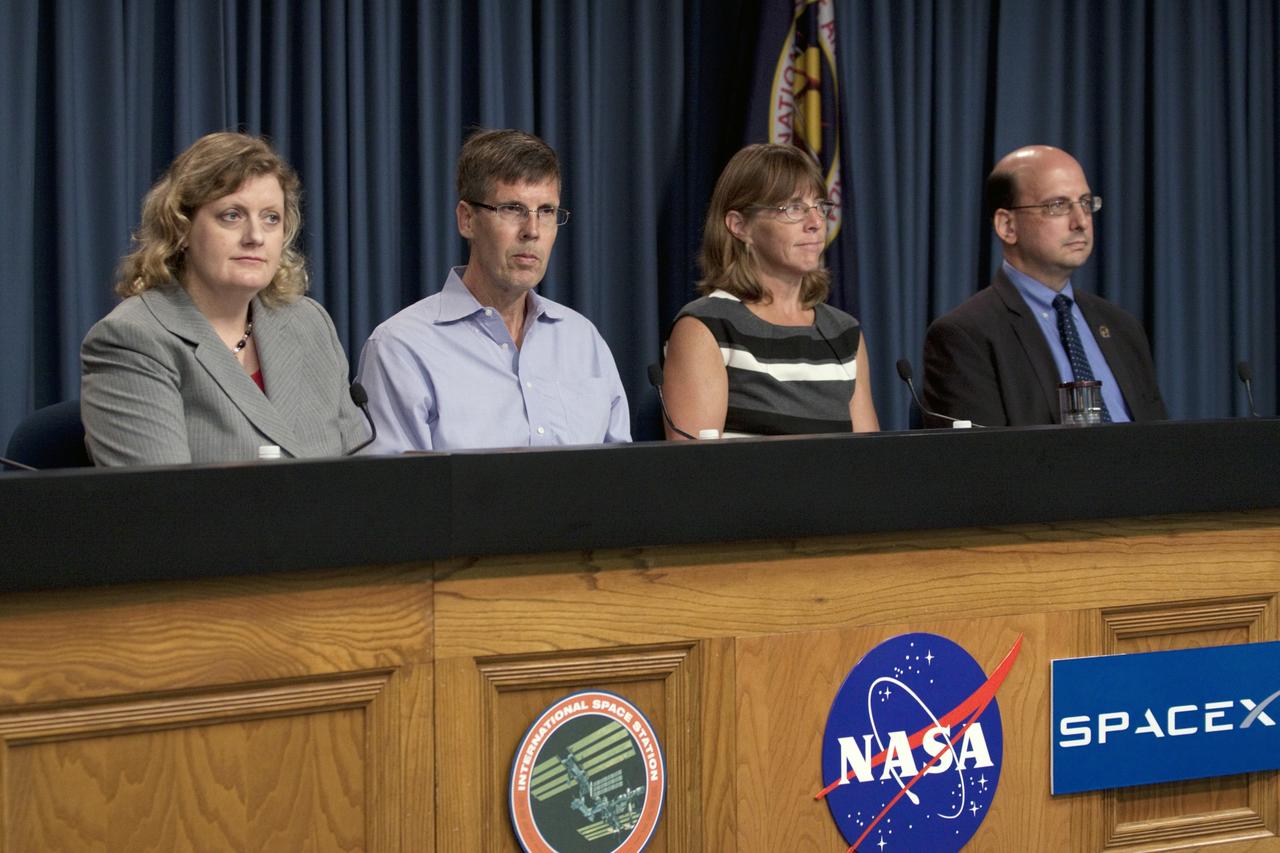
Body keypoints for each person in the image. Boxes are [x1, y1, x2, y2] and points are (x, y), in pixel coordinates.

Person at [81, 132, 368, 465]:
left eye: (271, 218)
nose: (255, 237)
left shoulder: (308, 323)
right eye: (232, 215)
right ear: (182, 229)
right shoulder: (133, 339)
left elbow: (359, 472)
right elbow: (159, 506)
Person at [356, 128, 630, 451]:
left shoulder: (585, 342)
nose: (532, 231)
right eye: (512, 209)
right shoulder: (401, 349)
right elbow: (395, 495)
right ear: (467, 220)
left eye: (546, 212)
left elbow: (621, 484)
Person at [922, 145, 1166, 426]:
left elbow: (1162, 443)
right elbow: (981, 463)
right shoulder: (966, 337)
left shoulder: (1122, 327)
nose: (1081, 222)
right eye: (1058, 206)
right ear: (1007, 226)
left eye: (1086, 203)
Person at [660, 144, 879, 438]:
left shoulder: (843, 333)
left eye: (820, 206)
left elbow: (869, 459)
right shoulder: (706, 328)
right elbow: (696, 471)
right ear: (740, 226)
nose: (815, 223)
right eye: (793, 209)